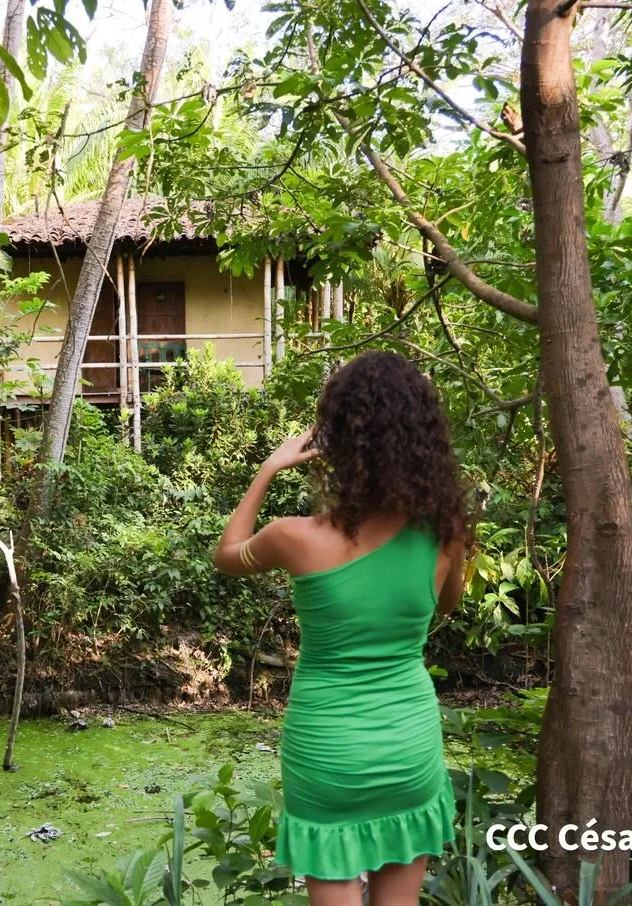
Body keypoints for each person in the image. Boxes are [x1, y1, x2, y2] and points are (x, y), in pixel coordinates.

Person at [213, 350, 468, 906]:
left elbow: (227, 554)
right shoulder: (446, 533)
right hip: (408, 746)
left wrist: (269, 469)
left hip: (328, 753)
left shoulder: (293, 538)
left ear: (340, 444)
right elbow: (447, 605)